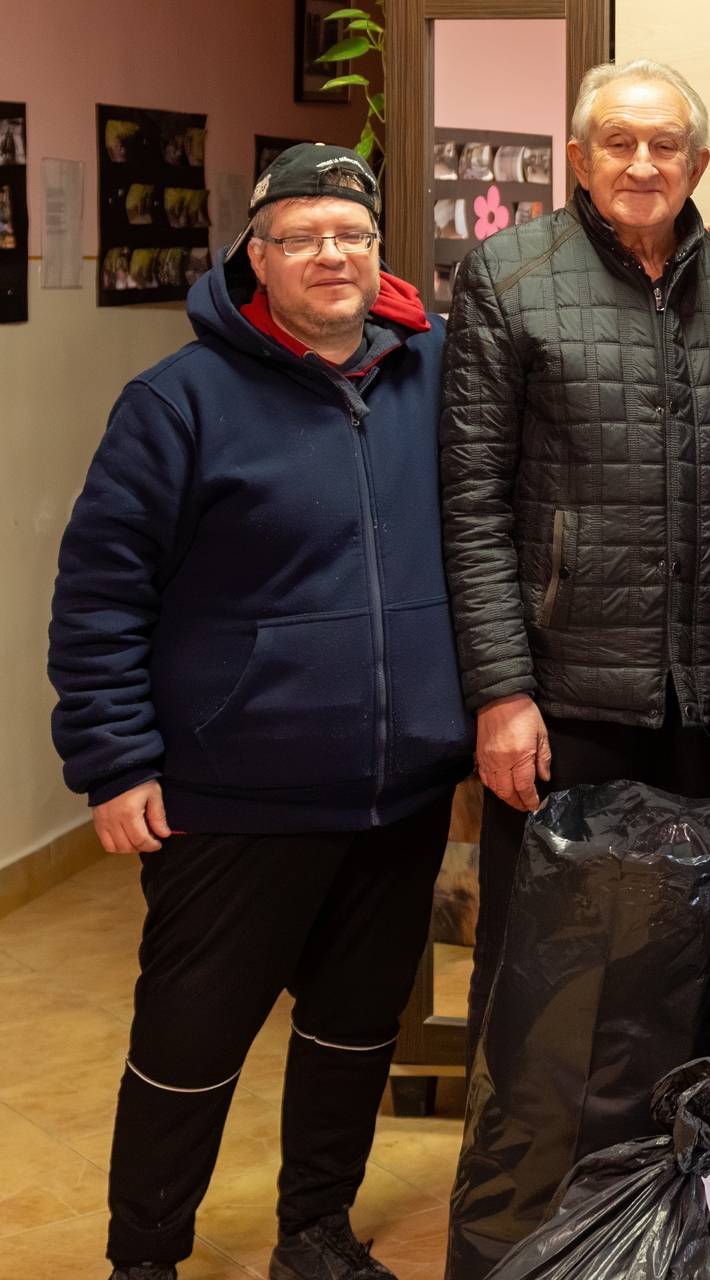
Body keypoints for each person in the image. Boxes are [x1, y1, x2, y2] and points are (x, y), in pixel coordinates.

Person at [47, 143, 470, 1280]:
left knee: (353, 1031)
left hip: (398, 790)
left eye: (353, 232)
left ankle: (315, 1233)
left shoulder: (435, 381)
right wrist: (115, 760)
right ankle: (145, 1256)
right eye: (303, 235)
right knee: (189, 1044)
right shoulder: (177, 401)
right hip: (232, 792)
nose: (331, 253)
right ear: (256, 255)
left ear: (380, 250)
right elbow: (98, 594)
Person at [439, 58, 710, 1040]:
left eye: (664, 143)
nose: (642, 162)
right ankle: (519, 1187)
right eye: (619, 143)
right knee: (539, 954)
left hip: (702, 697)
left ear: (699, 161)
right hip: (563, 694)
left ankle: (654, 1173)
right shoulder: (508, 278)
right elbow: (471, 501)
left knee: (681, 946)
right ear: (579, 158)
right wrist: (501, 695)